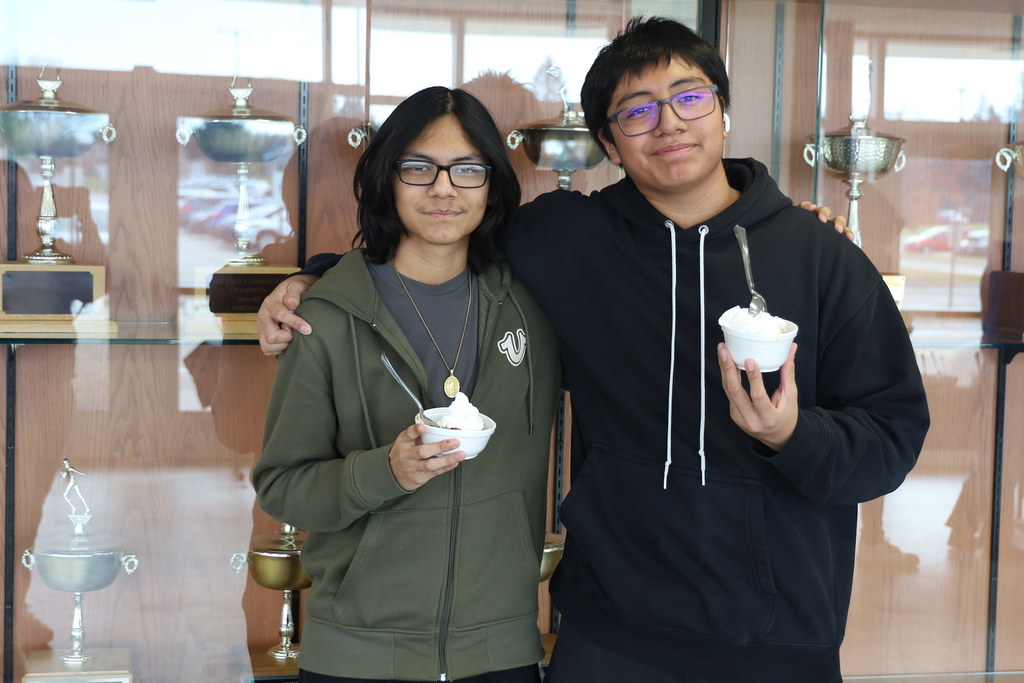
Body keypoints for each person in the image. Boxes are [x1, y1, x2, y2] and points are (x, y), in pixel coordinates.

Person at [257, 17, 929, 683]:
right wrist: (314, 279)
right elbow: (445, 230)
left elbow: (892, 433)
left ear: (723, 110)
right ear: (608, 140)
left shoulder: (822, 257)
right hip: (608, 633)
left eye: (689, 97)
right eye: (636, 112)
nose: (668, 124)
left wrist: (793, 434)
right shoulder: (564, 237)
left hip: (778, 635)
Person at [253, 86, 562, 683]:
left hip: (502, 653)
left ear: (493, 184)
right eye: (419, 167)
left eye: (467, 169)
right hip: (357, 656)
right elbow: (282, 485)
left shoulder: (535, 305)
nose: (443, 188)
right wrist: (383, 473)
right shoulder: (328, 314)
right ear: (386, 180)